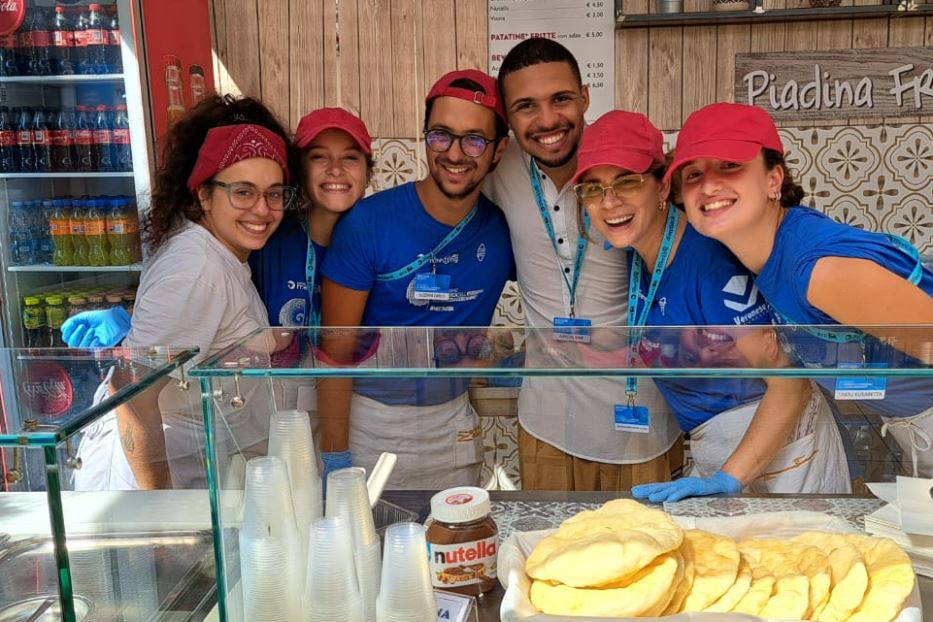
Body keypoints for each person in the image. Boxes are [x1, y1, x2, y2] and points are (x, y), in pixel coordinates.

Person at [568, 111, 850, 502]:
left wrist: (730, 478)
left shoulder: (707, 259)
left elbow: (789, 384)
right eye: (593, 189)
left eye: (627, 182)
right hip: (723, 446)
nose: (609, 202)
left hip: (779, 447)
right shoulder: (638, 254)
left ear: (663, 185)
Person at [667, 102, 933, 478]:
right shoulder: (765, 255)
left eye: (730, 165)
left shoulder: (816, 270)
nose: (708, 185)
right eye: (693, 174)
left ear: (774, 179)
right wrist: (729, 479)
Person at [484, 37, 681, 491]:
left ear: (585, 97)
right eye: (526, 106)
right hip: (546, 423)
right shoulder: (497, 168)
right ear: (508, 117)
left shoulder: (625, 169)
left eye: (561, 99)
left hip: (639, 417)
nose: (548, 120)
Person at [75, 95, 299, 489]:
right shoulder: (198, 268)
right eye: (242, 192)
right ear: (204, 194)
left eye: (274, 193)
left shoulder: (222, 254)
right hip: (147, 487)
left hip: (194, 473)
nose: (262, 209)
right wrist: (161, 513)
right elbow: (131, 393)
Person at [317, 69, 515, 488]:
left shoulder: (502, 231)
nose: (455, 154)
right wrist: (334, 457)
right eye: (441, 134)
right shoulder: (368, 223)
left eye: (475, 140)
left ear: (498, 152)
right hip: (370, 426)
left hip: (453, 425)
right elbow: (334, 351)